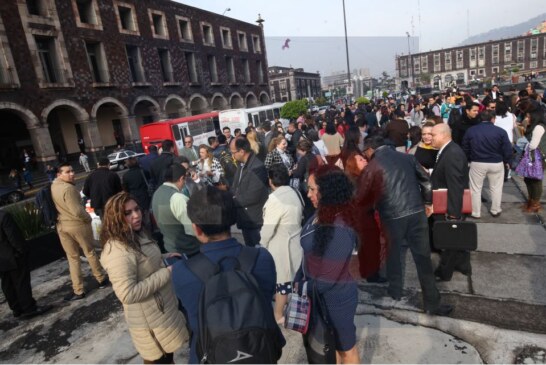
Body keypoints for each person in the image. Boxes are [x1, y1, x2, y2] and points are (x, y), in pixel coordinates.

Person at [171, 185, 283, 364]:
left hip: (209, 356)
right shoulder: (262, 258)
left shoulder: (182, 272)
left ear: (197, 229)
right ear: (232, 219)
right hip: (259, 351)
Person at [356, 136, 452, 316]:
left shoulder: (372, 166)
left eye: (365, 153)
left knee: (394, 255)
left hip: (392, 216)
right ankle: (432, 302)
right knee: (423, 259)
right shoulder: (407, 157)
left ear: (370, 149)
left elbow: (361, 196)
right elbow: (426, 180)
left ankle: (395, 291)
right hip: (416, 212)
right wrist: (428, 202)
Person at [99, 192, 189, 364]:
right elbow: (127, 293)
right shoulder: (118, 251)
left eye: (137, 209)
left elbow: (144, 260)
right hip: (151, 323)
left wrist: (166, 255)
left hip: (161, 312)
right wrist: (167, 272)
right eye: (127, 213)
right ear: (115, 218)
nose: (136, 215)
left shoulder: (136, 234)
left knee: (168, 358)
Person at [294, 165, 360, 364]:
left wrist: (299, 287)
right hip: (316, 295)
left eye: (313, 189)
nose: (308, 193)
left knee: (345, 350)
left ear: (328, 191)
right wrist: (299, 278)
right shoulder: (321, 214)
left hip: (335, 300)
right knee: (330, 348)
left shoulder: (340, 226)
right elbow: (308, 256)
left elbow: (327, 278)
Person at [51, 162, 109, 301]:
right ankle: (100, 278)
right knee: (89, 252)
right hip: (77, 225)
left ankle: (78, 289)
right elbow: (77, 210)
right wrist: (88, 218)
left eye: (72, 170)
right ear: (59, 174)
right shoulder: (68, 189)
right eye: (67, 172)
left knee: (72, 258)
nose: (72, 173)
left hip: (62, 225)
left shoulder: (53, 186)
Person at [260, 164, 303, 323]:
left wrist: (262, 244)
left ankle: (278, 314)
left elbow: (268, 228)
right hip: (295, 242)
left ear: (270, 181)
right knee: (289, 280)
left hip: (280, 246)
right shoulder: (295, 192)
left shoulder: (275, 198)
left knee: (282, 283)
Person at [430, 123, 471, 281]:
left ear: (444, 135)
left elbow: (455, 185)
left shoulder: (452, 153)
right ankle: (464, 265)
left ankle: (444, 273)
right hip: (446, 202)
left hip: (449, 205)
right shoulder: (447, 150)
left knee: (448, 241)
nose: (430, 139)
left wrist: (453, 213)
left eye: (433, 135)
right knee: (456, 239)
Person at [0, 210, 52, 319]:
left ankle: (16, 309)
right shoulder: (4, 216)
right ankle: (29, 308)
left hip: (3, 260)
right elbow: (14, 237)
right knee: (21, 282)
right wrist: (21, 251)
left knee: (7, 284)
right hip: (12, 256)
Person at [462, 110, 512, 218]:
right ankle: (495, 209)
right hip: (496, 162)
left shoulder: (471, 131)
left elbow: (465, 147)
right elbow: (507, 149)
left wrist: (468, 159)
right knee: (496, 187)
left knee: (475, 188)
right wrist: (507, 161)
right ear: (493, 119)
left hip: (477, 162)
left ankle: (476, 212)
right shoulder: (501, 131)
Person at [151, 164, 200, 256]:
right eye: (185, 179)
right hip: (189, 250)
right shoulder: (178, 198)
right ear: (181, 178)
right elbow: (192, 229)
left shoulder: (157, 193)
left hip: (170, 248)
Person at [230, 137, 269, 247]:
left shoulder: (257, 167)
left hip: (254, 220)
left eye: (233, 152)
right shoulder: (241, 164)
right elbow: (235, 187)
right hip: (245, 219)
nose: (232, 155)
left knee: (258, 252)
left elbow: (253, 196)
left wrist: (233, 200)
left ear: (242, 151)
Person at [518, 99, 546, 213]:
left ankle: (535, 203)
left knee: (536, 180)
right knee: (528, 178)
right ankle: (530, 200)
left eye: (528, 116)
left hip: (538, 157)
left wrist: (522, 142)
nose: (526, 118)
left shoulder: (539, 127)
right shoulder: (532, 125)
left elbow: (533, 145)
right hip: (531, 157)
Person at [122, 157, 151, 228]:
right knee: (147, 215)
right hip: (145, 195)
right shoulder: (143, 171)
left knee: (137, 214)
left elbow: (125, 189)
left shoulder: (125, 176)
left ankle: (141, 228)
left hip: (134, 197)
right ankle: (149, 229)